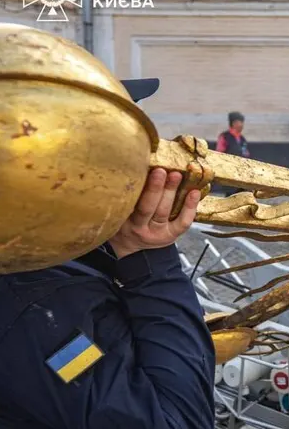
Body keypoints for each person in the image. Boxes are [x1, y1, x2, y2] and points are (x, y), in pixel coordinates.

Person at [0, 79, 216, 429]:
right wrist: (150, 259)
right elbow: (176, 422)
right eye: (127, 138)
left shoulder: (50, 257)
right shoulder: (39, 314)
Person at [216, 111, 250, 196]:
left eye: (242, 122)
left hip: (242, 171)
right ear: (233, 123)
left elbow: (246, 153)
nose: (241, 125)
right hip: (230, 170)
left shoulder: (242, 139)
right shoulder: (225, 136)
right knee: (231, 195)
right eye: (239, 122)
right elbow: (219, 152)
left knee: (244, 194)